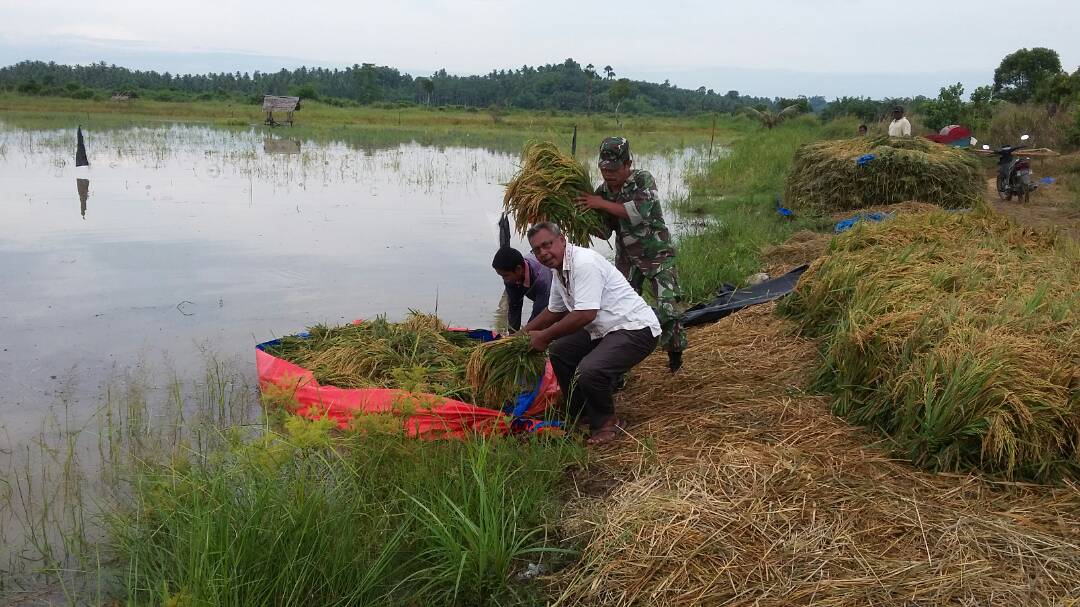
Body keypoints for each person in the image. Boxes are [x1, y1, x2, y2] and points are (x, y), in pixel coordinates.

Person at [521, 222, 660, 445]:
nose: (543, 253)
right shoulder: (559, 271)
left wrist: (544, 337)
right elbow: (554, 311)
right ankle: (581, 412)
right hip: (603, 327)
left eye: (547, 245)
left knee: (590, 369)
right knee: (560, 352)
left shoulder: (584, 263)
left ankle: (607, 422)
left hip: (634, 328)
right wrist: (522, 335)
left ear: (562, 240)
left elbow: (585, 314)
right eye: (537, 249)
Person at [573, 136, 686, 372]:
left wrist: (599, 204)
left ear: (627, 164)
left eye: (614, 169)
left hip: (658, 255)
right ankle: (615, 368)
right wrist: (583, 219)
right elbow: (604, 233)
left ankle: (675, 356)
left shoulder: (642, 180)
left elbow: (638, 213)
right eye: (604, 169)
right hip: (627, 261)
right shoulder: (601, 192)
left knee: (667, 311)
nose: (608, 175)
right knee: (618, 314)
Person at [491, 246, 551, 332]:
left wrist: (523, 335)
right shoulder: (511, 279)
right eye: (501, 276)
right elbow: (514, 305)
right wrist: (512, 335)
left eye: (505, 275)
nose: (504, 279)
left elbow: (539, 315)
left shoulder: (542, 280)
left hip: (558, 297)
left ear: (518, 269)